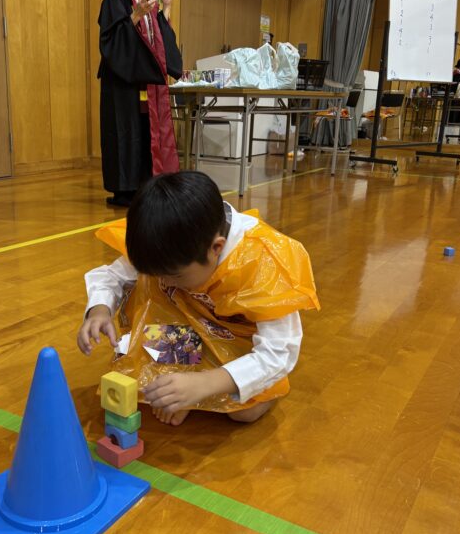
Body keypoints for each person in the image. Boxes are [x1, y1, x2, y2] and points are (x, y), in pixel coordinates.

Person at [77, 171, 320, 426]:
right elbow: (112, 276)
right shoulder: (164, 238)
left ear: (216, 248)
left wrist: (206, 383)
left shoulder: (263, 261)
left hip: (236, 344)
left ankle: (198, 388)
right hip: (191, 333)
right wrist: (99, 310)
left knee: (243, 412)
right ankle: (186, 390)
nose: (164, 282)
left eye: (174, 276)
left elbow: (279, 352)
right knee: (140, 367)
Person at [98, 0, 183, 208]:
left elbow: (159, 41)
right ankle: (124, 189)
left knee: (145, 132)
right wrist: (135, 15)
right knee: (125, 132)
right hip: (122, 81)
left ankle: (145, 185)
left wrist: (165, 8)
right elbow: (110, 42)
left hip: (144, 81)